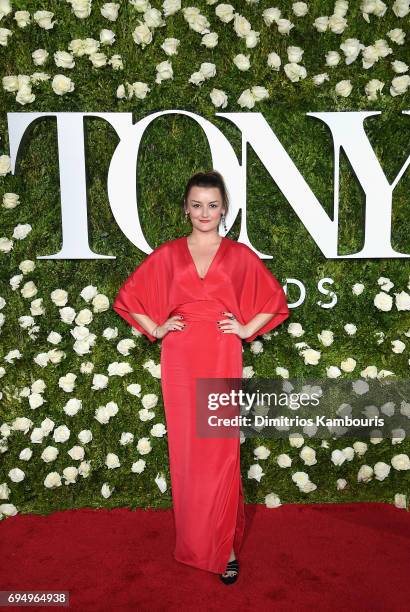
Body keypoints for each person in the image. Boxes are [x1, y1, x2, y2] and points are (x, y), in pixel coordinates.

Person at [112, 170, 289, 584]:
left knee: (220, 450)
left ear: (223, 208)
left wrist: (246, 330)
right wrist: (155, 328)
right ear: (185, 208)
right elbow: (129, 298)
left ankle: (223, 546)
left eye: (212, 204)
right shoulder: (169, 254)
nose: (204, 212)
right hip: (180, 358)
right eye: (197, 204)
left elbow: (274, 300)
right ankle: (193, 542)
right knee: (189, 453)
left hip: (222, 354)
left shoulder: (239, 255)